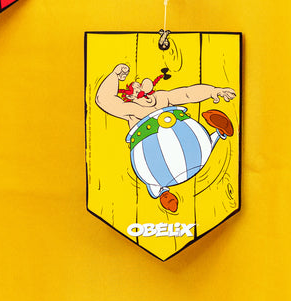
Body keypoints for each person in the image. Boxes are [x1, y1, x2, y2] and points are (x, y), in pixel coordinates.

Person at [95, 63, 236, 212]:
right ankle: (163, 194)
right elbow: (104, 100)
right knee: (150, 174)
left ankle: (220, 132)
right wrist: (114, 76)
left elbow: (187, 93)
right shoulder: (132, 110)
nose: (143, 93)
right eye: (136, 92)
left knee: (202, 141)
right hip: (157, 165)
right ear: (130, 97)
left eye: (142, 88)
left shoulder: (162, 97)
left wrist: (213, 91)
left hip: (196, 153)